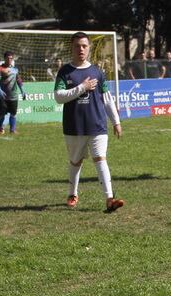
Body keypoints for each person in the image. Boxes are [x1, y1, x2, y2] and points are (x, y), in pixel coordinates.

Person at [54, 32, 125, 213]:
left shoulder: (97, 72)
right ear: (72, 47)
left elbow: (107, 99)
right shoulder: (64, 72)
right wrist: (82, 88)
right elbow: (59, 97)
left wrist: (116, 121)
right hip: (74, 127)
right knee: (75, 162)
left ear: (89, 48)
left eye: (84, 46)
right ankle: (72, 193)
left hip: (97, 125)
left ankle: (109, 198)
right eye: (77, 45)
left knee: (100, 158)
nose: (81, 49)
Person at [0, 51, 26, 135]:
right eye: (8, 58)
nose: (9, 60)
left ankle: (12, 130)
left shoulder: (15, 69)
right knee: (2, 114)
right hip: (3, 96)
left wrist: (22, 91)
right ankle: (1, 127)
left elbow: (18, 80)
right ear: (4, 59)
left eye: (11, 58)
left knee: (13, 113)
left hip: (13, 95)